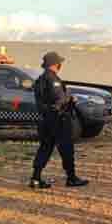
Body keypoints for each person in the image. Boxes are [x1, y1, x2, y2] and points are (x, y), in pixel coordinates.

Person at [31, 52, 89, 189]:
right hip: (58, 118)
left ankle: (35, 178)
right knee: (66, 148)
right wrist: (71, 99)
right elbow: (59, 100)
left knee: (45, 147)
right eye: (59, 63)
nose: (60, 65)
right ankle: (71, 178)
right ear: (55, 64)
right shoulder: (53, 79)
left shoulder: (40, 79)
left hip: (45, 119)